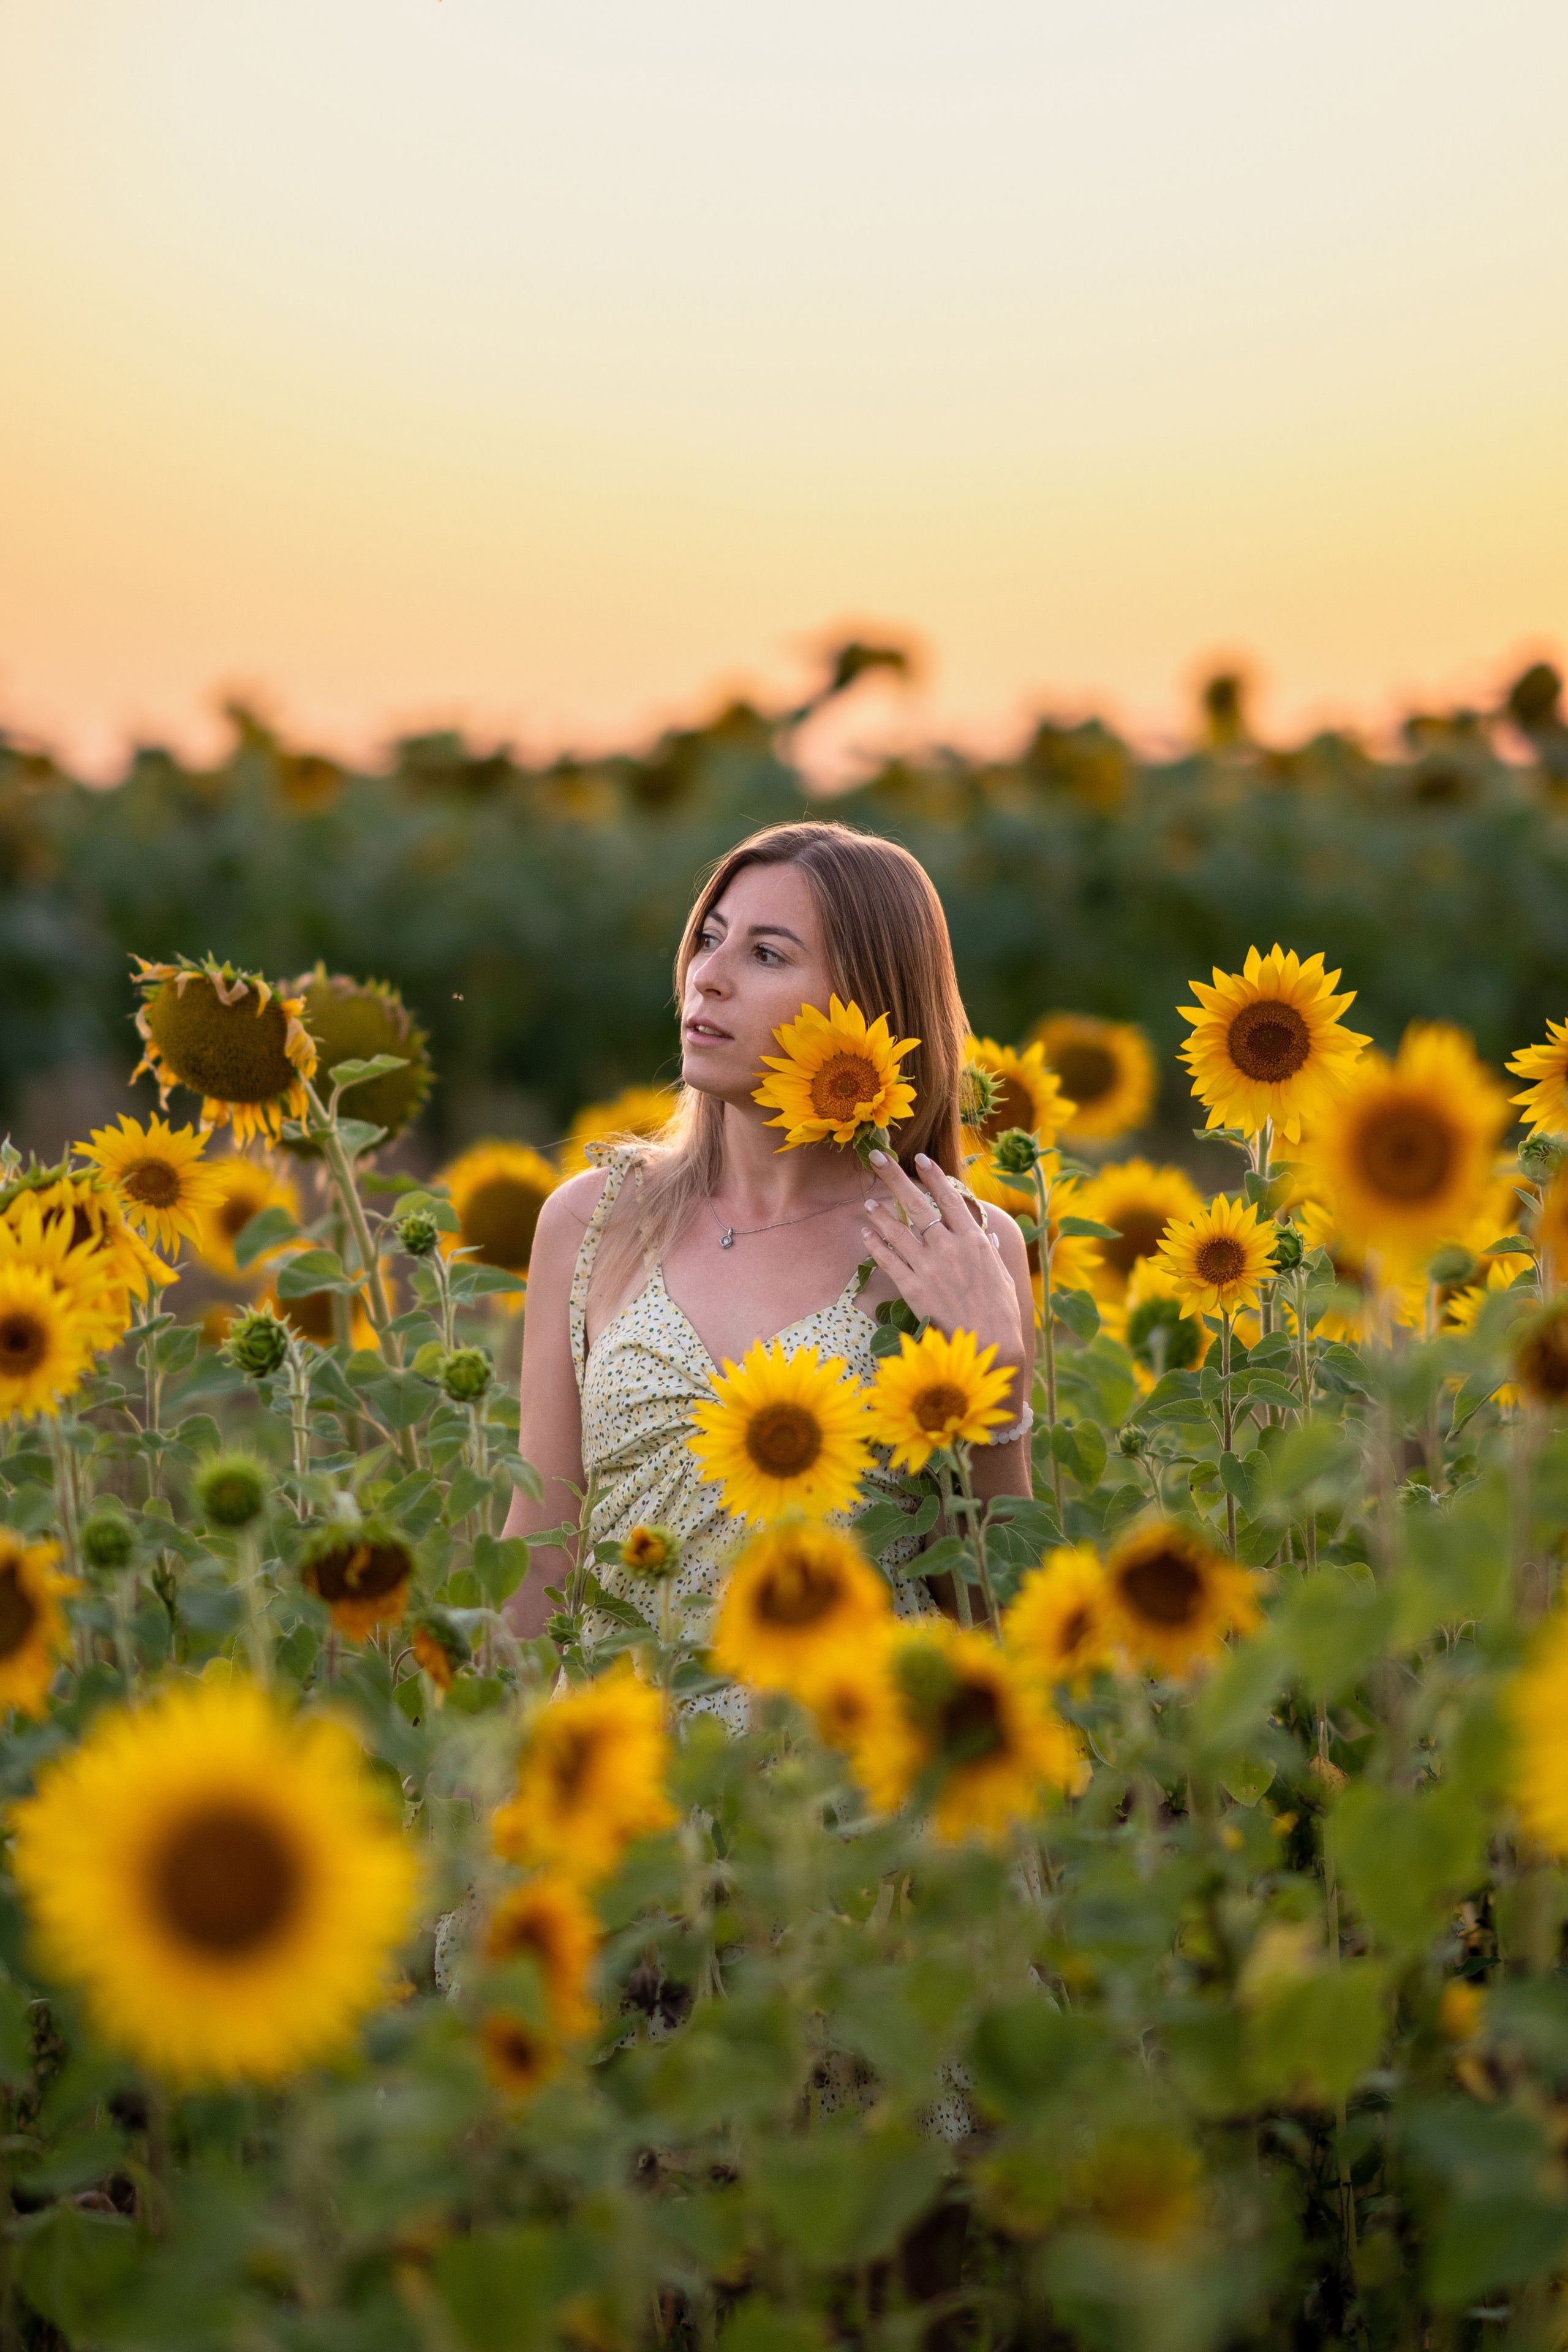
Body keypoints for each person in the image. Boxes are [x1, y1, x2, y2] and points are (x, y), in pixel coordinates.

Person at [502, 820, 1036, 1686]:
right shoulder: (592, 1222)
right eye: (709, 941)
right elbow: (541, 1553)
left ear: (868, 1005)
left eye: (767, 956)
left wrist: (997, 1390)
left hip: (855, 1779)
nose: (706, 978)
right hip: (630, 1778)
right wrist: (467, 1782)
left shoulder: (953, 1244)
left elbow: (987, 1611)